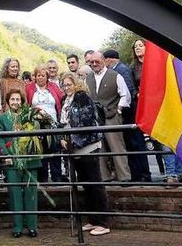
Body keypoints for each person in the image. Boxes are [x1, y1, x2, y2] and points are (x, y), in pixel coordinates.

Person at [59, 73, 111, 236]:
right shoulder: (64, 100)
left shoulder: (82, 97)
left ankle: (103, 222)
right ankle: (93, 219)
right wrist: (62, 138)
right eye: (64, 85)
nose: (67, 87)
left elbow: (86, 122)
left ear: (76, 84)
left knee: (95, 182)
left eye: (69, 84)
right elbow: (64, 123)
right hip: (73, 147)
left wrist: (73, 140)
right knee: (86, 184)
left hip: (87, 145)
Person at [0, 89, 40, 238]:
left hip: (30, 159)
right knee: (15, 194)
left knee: (31, 194)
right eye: (12, 100)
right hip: (12, 160)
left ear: (22, 101)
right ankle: (18, 227)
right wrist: (5, 155)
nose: (15, 102)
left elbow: (38, 133)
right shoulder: (3, 118)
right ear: (8, 102)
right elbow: (0, 138)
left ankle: (32, 226)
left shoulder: (29, 115)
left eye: (18, 99)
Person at [85, 51, 132, 182]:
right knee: (99, 148)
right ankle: (104, 177)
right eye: (92, 62)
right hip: (95, 118)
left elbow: (125, 95)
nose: (94, 64)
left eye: (97, 61)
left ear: (104, 61)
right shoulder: (87, 78)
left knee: (117, 146)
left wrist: (119, 109)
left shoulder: (115, 76)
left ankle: (124, 177)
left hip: (112, 116)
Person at [104, 49, 149, 182]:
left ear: (109, 59)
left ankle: (142, 174)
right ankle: (138, 174)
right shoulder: (122, 69)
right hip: (128, 113)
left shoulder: (121, 70)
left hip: (129, 113)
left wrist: (120, 110)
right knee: (132, 144)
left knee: (135, 143)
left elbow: (129, 90)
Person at [25, 66, 64, 182]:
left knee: (55, 149)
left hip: (53, 123)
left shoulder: (54, 87)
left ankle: (57, 176)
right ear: (35, 77)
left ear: (47, 77)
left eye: (43, 75)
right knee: (41, 150)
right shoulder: (29, 88)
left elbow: (61, 99)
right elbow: (26, 104)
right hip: (37, 124)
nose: (40, 77)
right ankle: (43, 178)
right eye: (38, 75)